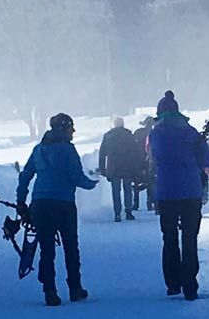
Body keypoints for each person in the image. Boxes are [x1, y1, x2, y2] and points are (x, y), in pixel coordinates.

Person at [17, 112, 97, 306]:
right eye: (71, 128)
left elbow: (26, 174)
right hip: (64, 204)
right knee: (70, 247)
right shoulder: (68, 151)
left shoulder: (39, 150)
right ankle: (75, 288)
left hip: (40, 204)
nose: (73, 132)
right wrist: (92, 183)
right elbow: (76, 177)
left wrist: (21, 200)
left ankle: (49, 290)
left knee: (47, 248)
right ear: (64, 129)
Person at [148, 91, 209, 300]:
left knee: (169, 238)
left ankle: (173, 283)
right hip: (191, 192)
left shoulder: (155, 135)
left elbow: (154, 157)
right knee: (189, 238)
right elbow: (206, 158)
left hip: (166, 192)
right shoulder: (191, 133)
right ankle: (190, 285)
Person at [99, 116, 141, 221]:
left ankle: (117, 213)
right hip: (128, 167)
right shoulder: (129, 134)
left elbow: (102, 154)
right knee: (128, 190)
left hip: (113, 168)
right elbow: (135, 152)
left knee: (116, 191)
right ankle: (128, 211)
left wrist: (102, 169)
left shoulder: (108, 136)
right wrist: (137, 168)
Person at [133, 114, 156, 209]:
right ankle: (150, 203)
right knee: (151, 182)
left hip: (138, 159)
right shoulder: (154, 133)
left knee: (136, 181)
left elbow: (132, 145)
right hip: (150, 160)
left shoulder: (137, 132)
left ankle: (136, 204)